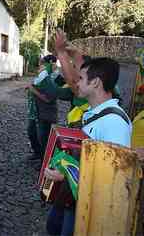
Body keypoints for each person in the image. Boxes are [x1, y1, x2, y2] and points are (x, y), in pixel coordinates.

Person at [44, 57, 132, 236]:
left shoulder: (114, 123)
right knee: (53, 227)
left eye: (81, 78)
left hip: (86, 207)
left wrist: (66, 175)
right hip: (73, 196)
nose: (76, 82)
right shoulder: (93, 113)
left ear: (95, 83)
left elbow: (113, 180)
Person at [25, 54, 58, 160]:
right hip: (35, 111)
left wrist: (32, 89)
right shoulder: (43, 75)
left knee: (44, 138)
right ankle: (38, 153)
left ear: (51, 64)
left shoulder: (53, 76)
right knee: (32, 131)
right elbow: (36, 85)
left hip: (45, 113)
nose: (40, 65)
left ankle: (45, 161)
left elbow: (49, 98)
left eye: (43, 63)